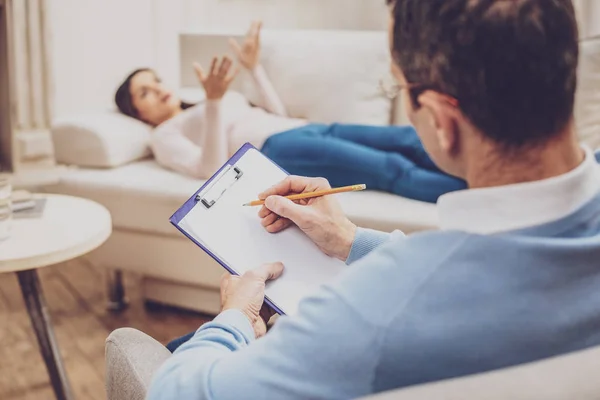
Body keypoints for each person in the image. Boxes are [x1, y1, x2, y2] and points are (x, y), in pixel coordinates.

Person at [146, 0, 600, 398]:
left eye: (399, 89)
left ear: (442, 121)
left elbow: (175, 393)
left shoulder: (373, 312)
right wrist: (350, 239)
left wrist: (235, 318)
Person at [114, 22, 466, 203]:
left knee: (408, 137)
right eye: (145, 92)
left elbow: (276, 114)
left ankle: (488, 174)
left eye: (156, 80)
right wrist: (216, 102)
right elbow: (210, 169)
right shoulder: (163, 135)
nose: (159, 89)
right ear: (138, 113)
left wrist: (252, 69)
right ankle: (476, 194)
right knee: (391, 169)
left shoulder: (206, 101)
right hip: (279, 151)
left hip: (300, 129)